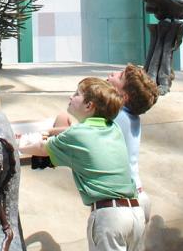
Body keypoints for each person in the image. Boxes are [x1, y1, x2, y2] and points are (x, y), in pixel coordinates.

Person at [19, 77, 145, 250]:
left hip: (110, 216)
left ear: (89, 106)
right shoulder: (112, 128)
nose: (71, 97)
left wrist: (19, 144)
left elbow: (42, 148)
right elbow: (77, 133)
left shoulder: (77, 134)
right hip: (136, 214)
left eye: (77, 94)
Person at [51, 64, 160, 235]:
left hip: (120, 203)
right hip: (138, 199)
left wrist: (46, 133)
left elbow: (84, 136)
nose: (113, 73)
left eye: (120, 76)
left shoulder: (115, 117)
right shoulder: (130, 118)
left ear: (124, 96)